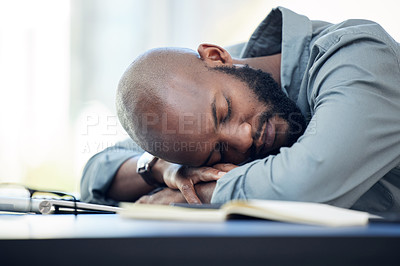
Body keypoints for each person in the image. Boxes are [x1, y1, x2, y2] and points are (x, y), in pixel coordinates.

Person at [80, 7, 400, 213]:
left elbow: (305, 182)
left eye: (225, 111)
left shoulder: (359, 56)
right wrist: (163, 169)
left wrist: (196, 196)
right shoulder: (206, 92)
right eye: (218, 151)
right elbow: (97, 171)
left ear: (218, 57)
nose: (244, 138)